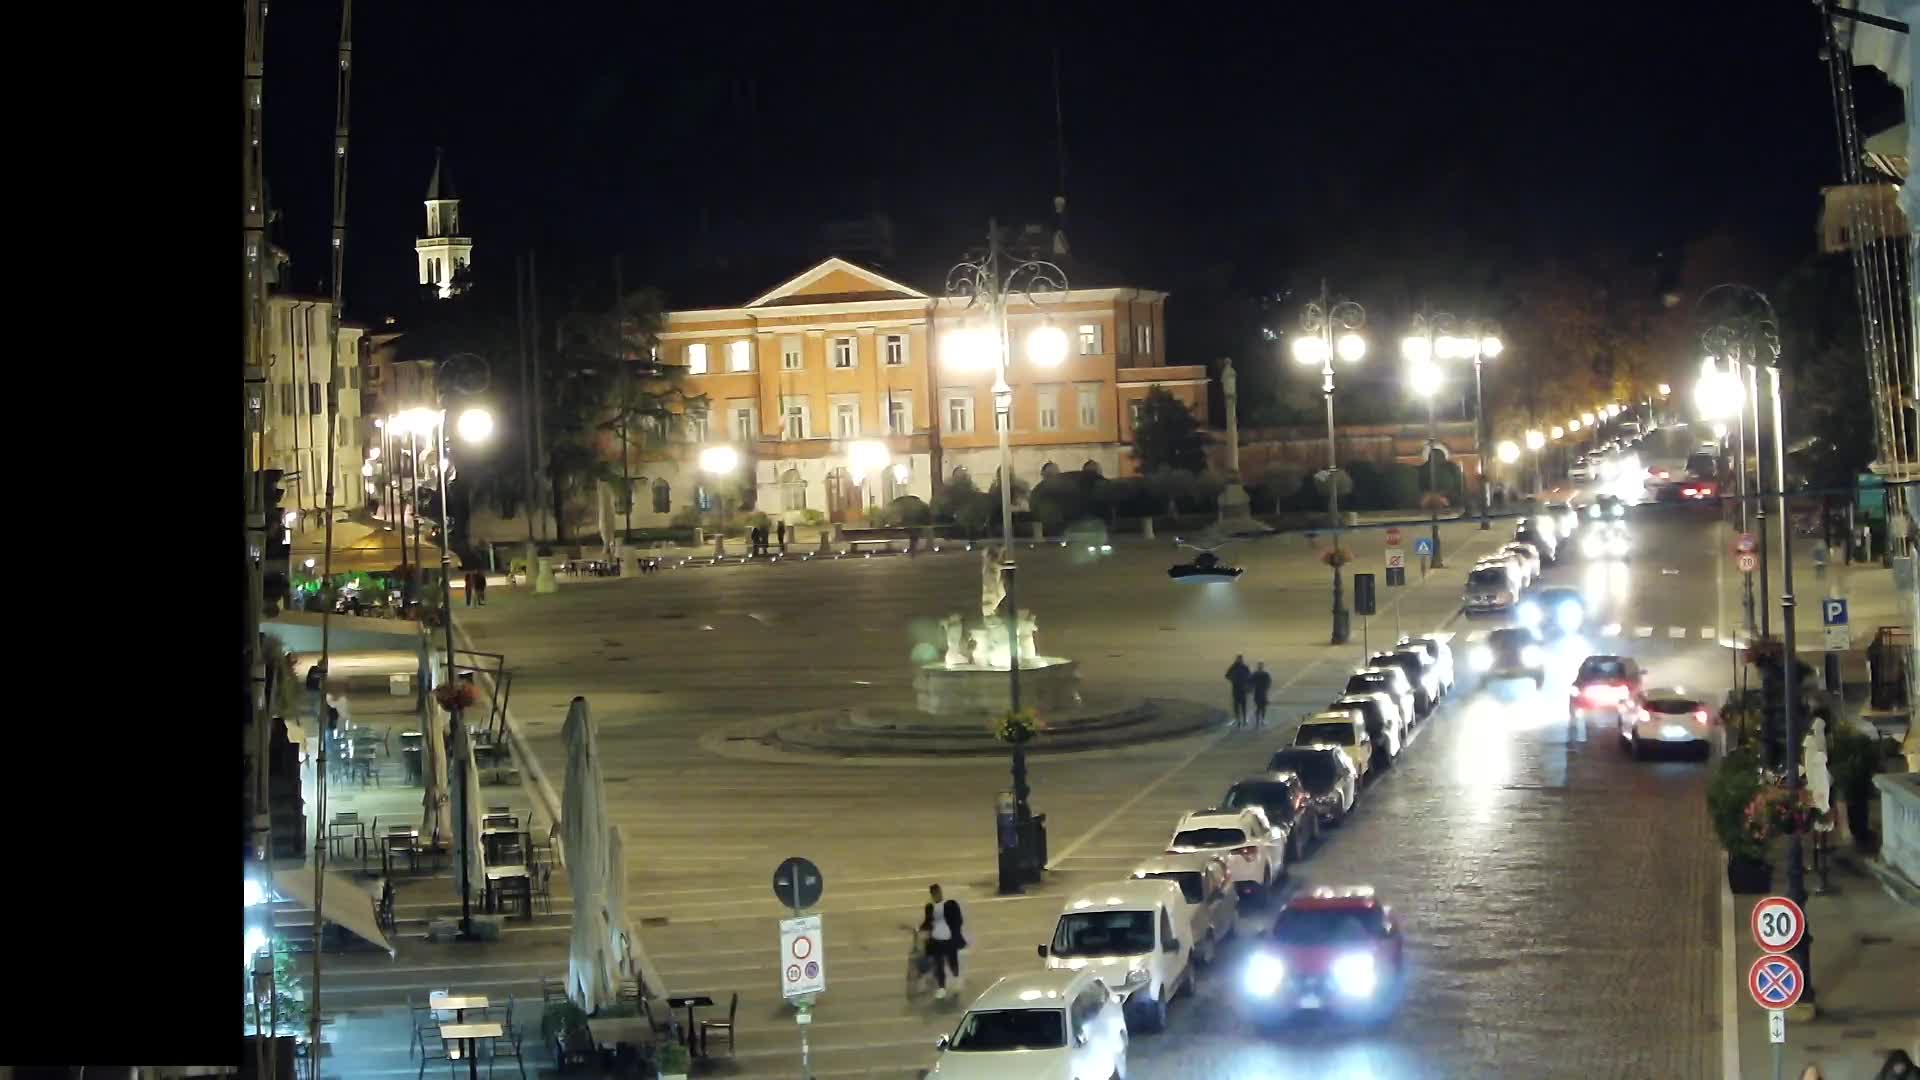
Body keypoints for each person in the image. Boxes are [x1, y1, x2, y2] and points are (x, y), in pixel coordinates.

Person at [920, 883, 966, 1000]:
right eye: (934, 893)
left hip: (949, 940)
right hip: (936, 941)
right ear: (932, 895)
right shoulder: (929, 908)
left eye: (938, 892)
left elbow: (959, 920)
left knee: (952, 963)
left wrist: (955, 932)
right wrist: (921, 928)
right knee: (939, 965)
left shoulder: (951, 905)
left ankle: (956, 981)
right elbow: (927, 922)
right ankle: (942, 988)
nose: (937, 895)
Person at [1225, 655, 1252, 728]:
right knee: (1236, 706)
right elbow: (1227, 675)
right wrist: (1233, 680)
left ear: (1241, 659)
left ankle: (1244, 719)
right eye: (1238, 659)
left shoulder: (1245, 667)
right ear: (1236, 659)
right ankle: (1238, 720)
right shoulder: (1233, 667)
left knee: (1243, 705)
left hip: (1243, 689)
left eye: (1240, 659)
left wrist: (1248, 686)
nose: (1239, 660)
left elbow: (1250, 676)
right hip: (1236, 689)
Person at [1250, 662, 1273, 729]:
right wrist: (1267, 688)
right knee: (1261, 707)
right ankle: (1261, 721)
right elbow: (1269, 682)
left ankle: (1259, 721)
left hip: (1258, 693)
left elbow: (1250, 681)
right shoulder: (1264, 674)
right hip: (1261, 693)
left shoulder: (1255, 674)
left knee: (1260, 708)